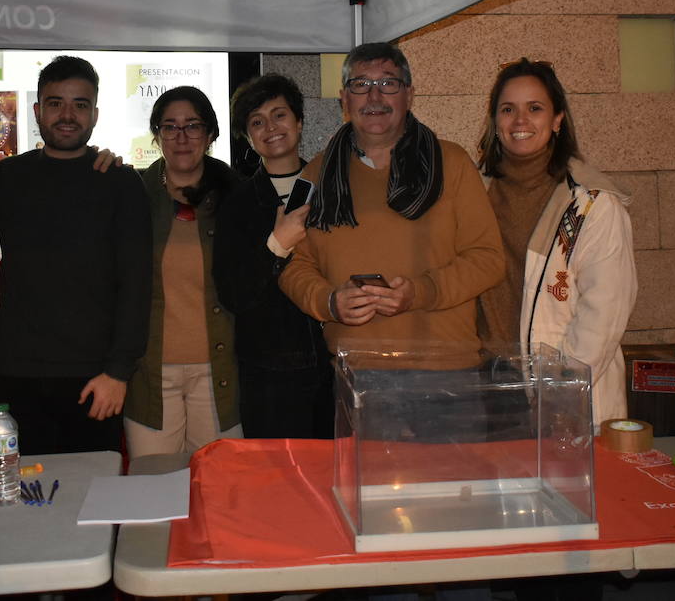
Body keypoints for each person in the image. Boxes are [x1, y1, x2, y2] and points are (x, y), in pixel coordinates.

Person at [279, 42, 504, 366]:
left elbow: (488, 259)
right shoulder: (312, 174)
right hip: (356, 372)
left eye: (387, 83)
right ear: (344, 98)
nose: (374, 97)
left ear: (409, 95)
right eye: (360, 85)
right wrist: (328, 302)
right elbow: (291, 265)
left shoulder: (452, 163)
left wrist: (421, 292)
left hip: (447, 371)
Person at [0, 56, 152, 454]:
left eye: (80, 104)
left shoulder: (120, 182)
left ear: (95, 113)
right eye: (55, 102)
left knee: (91, 503)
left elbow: (137, 284)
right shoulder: (8, 178)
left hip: (94, 378)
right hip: (16, 375)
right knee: (20, 501)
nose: (67, 115)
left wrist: (118, 371)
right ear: (36, 111)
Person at [477, 57, 637, 427]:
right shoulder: (473, 191)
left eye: (535, 108)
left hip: (556, 394)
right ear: (495, 120)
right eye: (508, 109)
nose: (520, 121)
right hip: (484, 386)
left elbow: (604, 311)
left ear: (557, 119)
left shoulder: (593, 202)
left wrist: (559, 392)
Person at [214, 74, 334, 439]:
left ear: (299, 121)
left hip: (334, 367)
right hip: (269, 375)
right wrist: (276, 246)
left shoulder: (333, 188)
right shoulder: (237, 203)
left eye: (279, 115)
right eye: (257, 122)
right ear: (248, 138)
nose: (271, 127)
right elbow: (234, 294)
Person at [124, 86, 243, 457]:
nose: (181, 137)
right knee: (153, 495)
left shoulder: (237, 196)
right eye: (169, 127)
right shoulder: (133, 194)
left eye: (192, 126)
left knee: (220, 490)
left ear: (210, 134)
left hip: (220, 373)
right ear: (156, 134)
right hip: (151, 375)